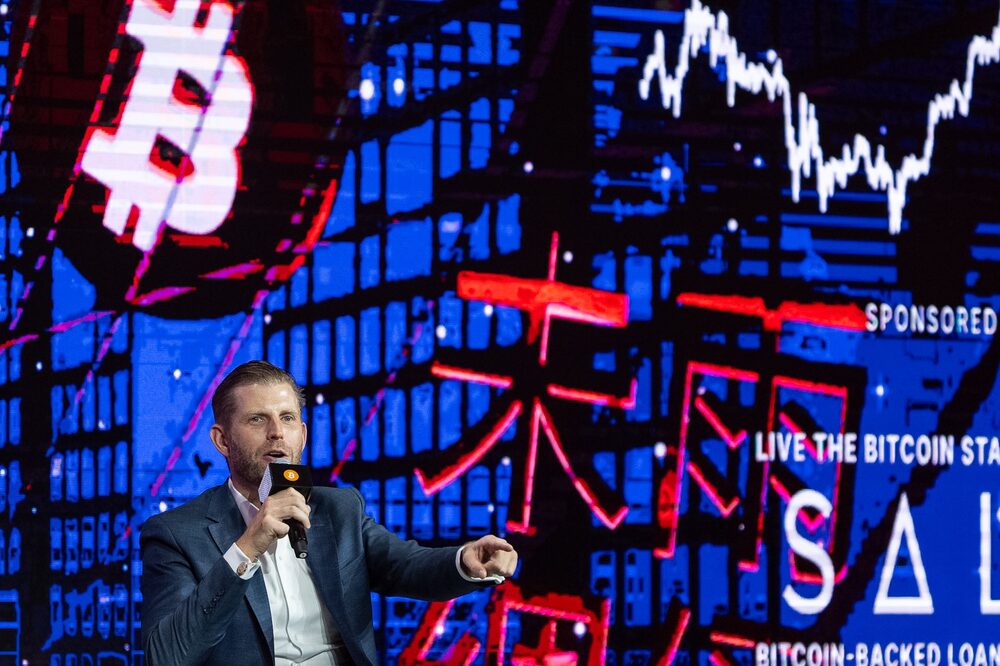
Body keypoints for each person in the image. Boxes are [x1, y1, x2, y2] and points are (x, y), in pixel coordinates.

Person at [140, 361, 518, 665]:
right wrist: (247, 547)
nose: (277, 433)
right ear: (222, 440)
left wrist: (464, 561)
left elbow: (405, 565)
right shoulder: (176, 533)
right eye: (257, 419)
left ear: (303, 435)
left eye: (287, 418)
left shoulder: (339, 509)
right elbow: (167, 656)